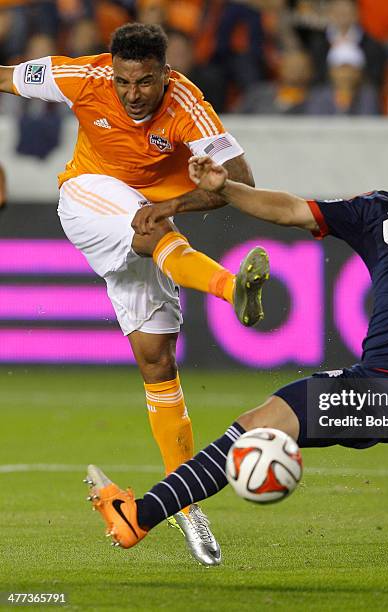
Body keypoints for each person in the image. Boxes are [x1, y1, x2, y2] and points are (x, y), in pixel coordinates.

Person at [86, 117, 388, 574]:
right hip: (369, 391)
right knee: (256, 424)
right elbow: (290, 209)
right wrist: (225, 187)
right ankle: (139, 517)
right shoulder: (379, 211)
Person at [0, 22, 271, 566]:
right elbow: (4, 78)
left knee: (157, 362)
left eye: (145, 82)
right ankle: (228, 285)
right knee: (149, 227)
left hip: (148, 226)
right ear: (113, 70)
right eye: (124, 82)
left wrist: (191, 194)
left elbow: (241, 181)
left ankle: (186, 505)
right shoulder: (82, 76)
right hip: (86, 200)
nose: (132, 94)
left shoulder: (189, 105)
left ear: (166, 74)